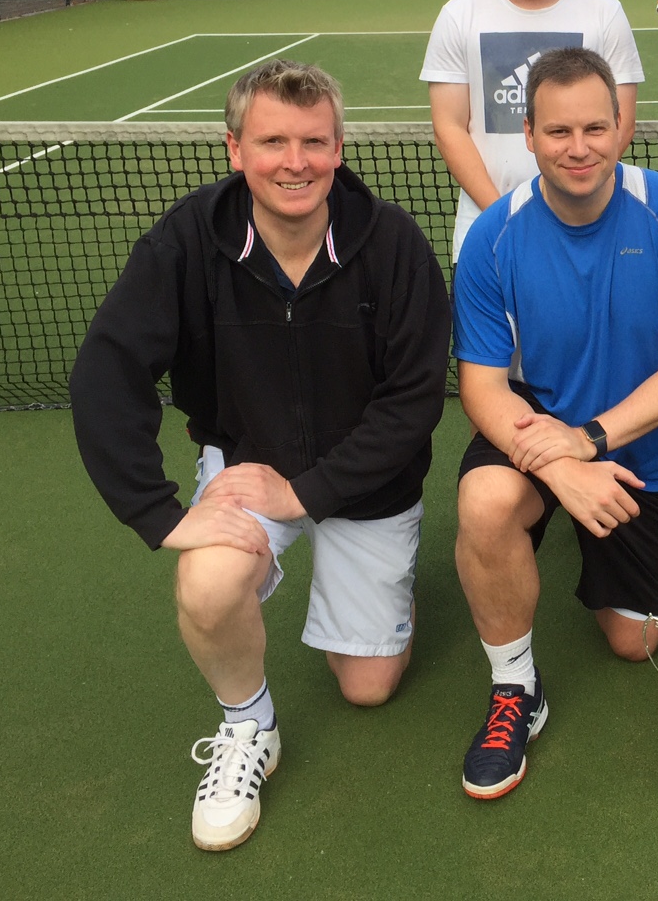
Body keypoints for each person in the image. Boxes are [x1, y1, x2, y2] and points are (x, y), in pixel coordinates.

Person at [69, 61, 451, 851]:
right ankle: (249, 727)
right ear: (235, 149)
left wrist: (305, 492)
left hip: (365, 483)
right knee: (206, 581)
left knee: (369, 689)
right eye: (273, 141)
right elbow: (107, 370)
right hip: (244, 463)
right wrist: (161, 515)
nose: (295, 161)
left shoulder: (395, 246)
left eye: (314, 142)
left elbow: (412, 405)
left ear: (339, 149)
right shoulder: (185, 241)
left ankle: (390, 608)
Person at [451, 46, 658, 799]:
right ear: (530, 136)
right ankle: (515, 689)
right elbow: (480, 383)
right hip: (538, 422)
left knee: (636, 642)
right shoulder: (492, 236)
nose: (579, 148)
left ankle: (611, 537)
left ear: (621, 128)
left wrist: (594, 440)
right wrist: (563, 463)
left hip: (640, 442)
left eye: (595, 128)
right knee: (486, 502)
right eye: (559, 131)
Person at [422, 0, 644, 260]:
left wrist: (563, 208)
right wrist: (505, 216)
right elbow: (449, 126)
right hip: (486, 236)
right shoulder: (458, 15)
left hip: (587, 232)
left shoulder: (604, 12)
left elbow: (620, 120)